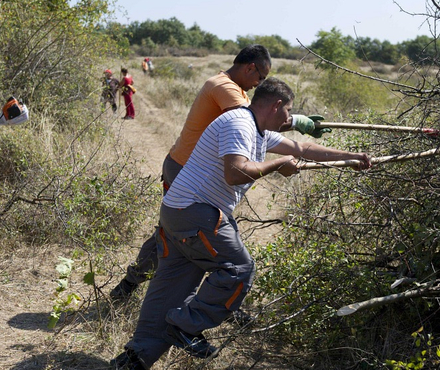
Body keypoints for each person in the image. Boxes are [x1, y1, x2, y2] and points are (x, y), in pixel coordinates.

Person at [111, 77, 371, 369]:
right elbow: (235, 173)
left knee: (168, 290)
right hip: (196, 212)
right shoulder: (239, 124)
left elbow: (302, 148)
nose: (289, 118)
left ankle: (134, 359)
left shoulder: (258, 130)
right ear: (276, 105)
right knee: (238, 269)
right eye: (289, 112)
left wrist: (353, 158)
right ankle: (185, 327)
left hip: (179, 214)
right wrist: (277, 165)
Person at [109, 45, 332, 300]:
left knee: (190, 235)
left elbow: (260, 123)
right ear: (250, 67)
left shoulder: (233, 88)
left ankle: (214, 295)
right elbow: (254, 117)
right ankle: (135, 284)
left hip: (195, 168)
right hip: (184, 169)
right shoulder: (223, 86)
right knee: (173, 235)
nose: (260, 84)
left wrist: (294, 125)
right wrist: (296, 122)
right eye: (261, 77)